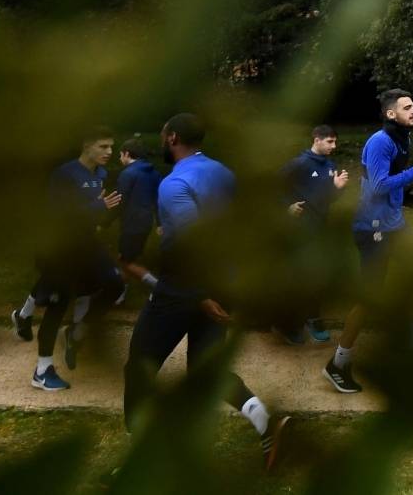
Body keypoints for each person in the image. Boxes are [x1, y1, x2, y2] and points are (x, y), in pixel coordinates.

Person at [123, 113, 290, 471]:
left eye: (163, 134)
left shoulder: (173, 184)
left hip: (186, 287)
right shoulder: (223, 173)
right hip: (222, 283)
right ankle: (266, 423)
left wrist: (199, 295)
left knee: (139, 366)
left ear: (171, 138)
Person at [323, 89, 413, 394]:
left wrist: (405, 198)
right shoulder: (380, 141)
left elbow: (390, 180)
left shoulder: (402, 138)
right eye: (407, 107)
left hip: (392, 223)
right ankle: (338, 363)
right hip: (371, 227)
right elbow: (377, 185)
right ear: (390, 114)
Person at [23, 129, 124, 391]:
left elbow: (95, 213)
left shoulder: (101, 175)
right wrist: (99, 208)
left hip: (87, 243)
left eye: (111, 147)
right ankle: (42, 371)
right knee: (59, 303)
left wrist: (104, 214)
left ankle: (76, 333)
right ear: (87, 145)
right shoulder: (64, 174)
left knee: (115, 285)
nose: (109, 152)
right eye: (103, 146)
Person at [279, 123, 349, 343]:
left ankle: (313, 318)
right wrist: (287, 207)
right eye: (329, 141)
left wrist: (337, 188)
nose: (333, 145)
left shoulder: (330, 165)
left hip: (319, 231)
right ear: (316, 140)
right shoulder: (299, 164)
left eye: (335, 141)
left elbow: (326, 199)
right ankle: (288, 326)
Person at [116, 136, 162, 296]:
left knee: (124, 261)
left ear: (126, 154)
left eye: (120, 154)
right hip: (146, 222)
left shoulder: (128, 174)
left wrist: (104, 222)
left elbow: (119, 202)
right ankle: (118, 295)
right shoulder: (154, 173)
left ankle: (159, 289)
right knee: (128, 259)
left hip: (131, 223)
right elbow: (159, 199)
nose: (119, 158)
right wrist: (160, 223)